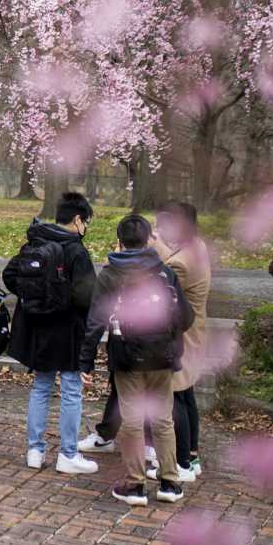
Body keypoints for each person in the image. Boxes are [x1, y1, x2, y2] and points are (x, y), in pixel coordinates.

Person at [80, 213, 194, 507]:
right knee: (162, 418)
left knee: (131, 420)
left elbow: (96, 320)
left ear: (119, 241)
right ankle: (170, 481)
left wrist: (86, 361)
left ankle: (135, 484)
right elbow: (185, 316)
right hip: (163, 356)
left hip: (127, 356)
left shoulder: (110, 274)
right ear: (147, 240)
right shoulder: (164, 273)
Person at [4, 192, 100, 475]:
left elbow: (11, 275)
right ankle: (68, 454)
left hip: (37, 328)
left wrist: (34, 299)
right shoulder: (76, 250)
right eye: (87, 222)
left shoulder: (36, 239)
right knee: (71, 390)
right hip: (68, 331)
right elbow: (87, 297)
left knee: (41, 387)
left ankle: (35, 450)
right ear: (78, 219)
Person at [155, 200, 211, 482]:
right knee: (187, 395)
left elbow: (165, 277)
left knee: (176, 396)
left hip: (182, 335)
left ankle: (181, 464)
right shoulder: (197, 247)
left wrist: (153, 248)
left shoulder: (180, 262)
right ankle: (192, 455)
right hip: (196, 331)